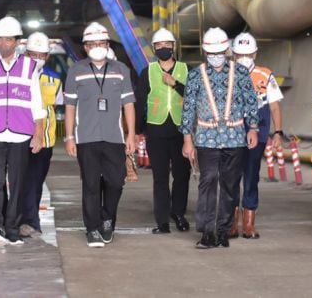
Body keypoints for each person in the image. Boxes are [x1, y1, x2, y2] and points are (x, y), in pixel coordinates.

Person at [180, 27, 259, 249]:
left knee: (230, 185)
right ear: (205, 52)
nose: (215, 57)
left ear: (226, 50)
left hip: (235, 138)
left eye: (219, 52)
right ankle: (206, 232)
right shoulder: (196, 75)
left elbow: (251, 102)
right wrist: (187, 139)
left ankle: (224, 231)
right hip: (206, 139)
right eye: (211, 53)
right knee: (207, 183)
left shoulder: (241, 73)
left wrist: (253, 128)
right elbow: (188, 108)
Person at [64, 22, 136, 248]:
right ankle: (93, 228)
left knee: (116, 182)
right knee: (91, 185)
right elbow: (69, 107)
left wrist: (131, 135)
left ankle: (107, 218)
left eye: (102, 43)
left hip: (114, 137)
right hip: (86, 138)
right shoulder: (76, 71)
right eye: (93, 44)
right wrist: (69, 137)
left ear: (107, 45)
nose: (98, 47)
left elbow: (129, 105)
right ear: (85, 47)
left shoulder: (121, 69)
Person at [0, 16, 45, 247]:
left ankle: (12, 228)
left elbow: (37, 103)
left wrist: (38, 134)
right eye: (0, 39)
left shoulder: (29, 67)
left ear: (17, 42)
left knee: (16, 182)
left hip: (20, 133)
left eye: (9, 39)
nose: (4, 43)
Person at [135, 28, 191, 235]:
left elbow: (195, 96)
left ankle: (178, 213)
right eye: (160, 45)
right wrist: (137, 130)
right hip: (156, 129)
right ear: (154, 48)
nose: (164, 48)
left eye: (168, 44)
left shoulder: (186, 69)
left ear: (174, 47)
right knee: (160, 177)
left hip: (180, 130)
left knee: (181, 175)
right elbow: (140, 102)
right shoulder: (147, 72)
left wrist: (175, 84)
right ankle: (162, 220)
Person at [229, 32, 284, 239]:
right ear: (233, 54)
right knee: (231, 178)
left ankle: (249, 225)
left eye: (248, 53)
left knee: (251, 177)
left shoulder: (265, 74)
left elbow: (275, 107)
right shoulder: (226, 74)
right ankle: (231, 223)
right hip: (231, 134)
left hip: (258, 134)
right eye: (240, 54)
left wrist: (278, 132)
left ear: (255, 53)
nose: (244, 57)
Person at [20, 32, 63, 237]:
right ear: (26, 53)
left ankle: (31, 221)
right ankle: (22, 220)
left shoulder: (54, 79)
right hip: (19, 137)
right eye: (33, 54)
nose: (37, 58)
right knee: (20, 180)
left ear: (47, 56)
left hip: (45, 139)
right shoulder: (16, 75)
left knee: (36, 181)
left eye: (41, 55)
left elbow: (56, 105)